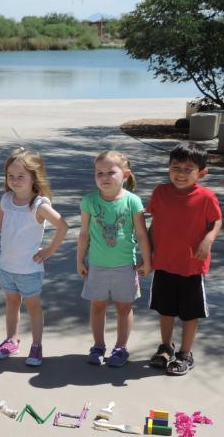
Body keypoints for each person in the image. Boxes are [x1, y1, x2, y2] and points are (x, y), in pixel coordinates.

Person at [0, 148, 68, 367]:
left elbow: (62, 226)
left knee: (33, 307)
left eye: (21, 177)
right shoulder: (6, 200)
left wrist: (49, 251)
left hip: (29, 269)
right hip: (7, 267)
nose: (15, 181)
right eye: (11, 176)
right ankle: (12, 340)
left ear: (33, 178)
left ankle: (36, 346)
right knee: (11, 304)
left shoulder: (39, 205)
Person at [147, 142, 222, 376]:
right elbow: (154, 223)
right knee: (166, 310)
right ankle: (166, 347)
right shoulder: (160, 192)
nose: (180, 173)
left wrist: (208, 239)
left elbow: (217, 221)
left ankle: (185, 353)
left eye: (188, 169)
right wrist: (146, 254)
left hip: (191, 266)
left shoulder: (206, 197)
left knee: (190, 313)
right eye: (175, 167)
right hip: (164, 263)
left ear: (202, 172)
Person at [77, 150, 152, 367]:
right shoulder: (89, 201)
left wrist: (147, 261)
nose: (104, 177)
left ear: (125, 175)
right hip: (97, 266)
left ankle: (120, 348)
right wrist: (80, 260)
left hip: (124, 267)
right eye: (99, 173)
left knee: (124, 308)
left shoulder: (132, 202)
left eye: (111, 172)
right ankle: (98, 345)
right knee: (97, 306)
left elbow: (141, 234)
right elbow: (84, 234)